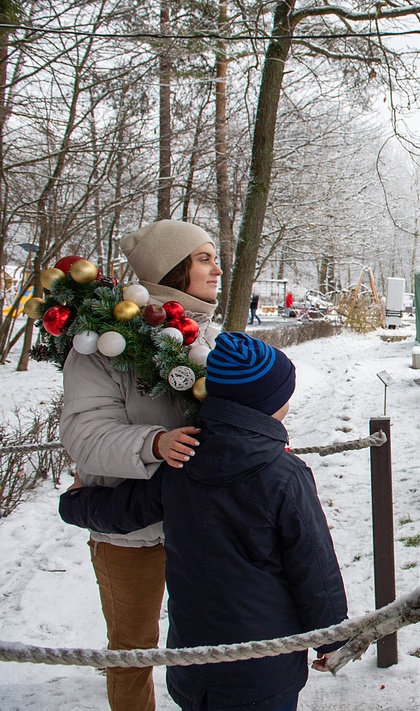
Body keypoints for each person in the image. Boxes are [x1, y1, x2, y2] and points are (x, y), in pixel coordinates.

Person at [60, 332, 349, 711]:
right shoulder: (284, 475)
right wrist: (333, 638)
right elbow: (314, 566)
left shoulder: (180, 463)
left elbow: (125, 510)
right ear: (268, 405)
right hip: (263, 668)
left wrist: (75, 503)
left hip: (192, 667)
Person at [59, 219, 223, 711]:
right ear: (174, 270)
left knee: (215, 638)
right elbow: (82, 435)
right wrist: (154, 444)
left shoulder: (207, 335)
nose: (217, 269)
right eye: (203, 259)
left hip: (199, 520)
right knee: (132, 647)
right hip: (130, 527)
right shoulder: (105, 344)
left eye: (213, 258)